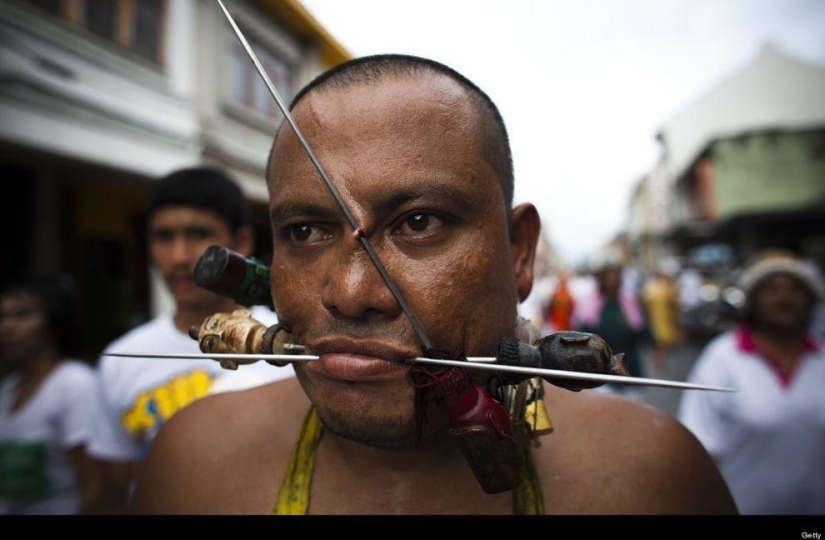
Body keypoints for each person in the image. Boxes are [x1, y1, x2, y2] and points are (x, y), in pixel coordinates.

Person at [130, 55, 735, 515]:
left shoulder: (649, 481)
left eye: (420, 222)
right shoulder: (193, 468)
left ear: (519, 252)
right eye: (307, 230)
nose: (350, 291)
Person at [89, 167, 294, 513]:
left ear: (241, 243)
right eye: (164, 237)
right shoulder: (120, 359)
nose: (180, 256)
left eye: (198, 234)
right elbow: (112, 487)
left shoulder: (290, 348)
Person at [679, 250, 825, 515]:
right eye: (771, 289)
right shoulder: (722, 358)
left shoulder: (821, 358)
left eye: (795, 290)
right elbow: (700, 445)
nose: (784, 298)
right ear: (754, 300)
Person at [0, 275, 100, 514]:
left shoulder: (74, 385)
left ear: (54, 323)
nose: (7, 326)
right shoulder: (7, 389)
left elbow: (95, 487)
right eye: (3, 316)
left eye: (22, 314)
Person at [574, 264, 654, 401]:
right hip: (602, 371)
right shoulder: (591, 306)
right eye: (609, 279)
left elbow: (642, 330)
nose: (612, 282)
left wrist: (653, 347)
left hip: (630, 366)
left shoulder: (631, 303)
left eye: (616, 278)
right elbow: (583, 335)